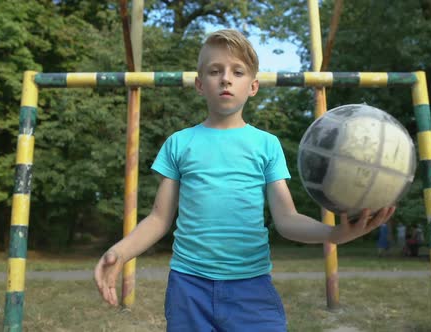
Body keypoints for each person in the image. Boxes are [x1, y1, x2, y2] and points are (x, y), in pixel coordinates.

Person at [94, 29, 396, 331]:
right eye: (215, 71)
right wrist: (120, 252)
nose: (226, 78)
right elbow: (159, 219)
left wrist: (334, 234)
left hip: (251, 288)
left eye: (237, 72)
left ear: (252, 86)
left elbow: (287, 219)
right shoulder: (179, 143)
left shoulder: (267, 145)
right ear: (200, 84)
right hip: (188, 287)